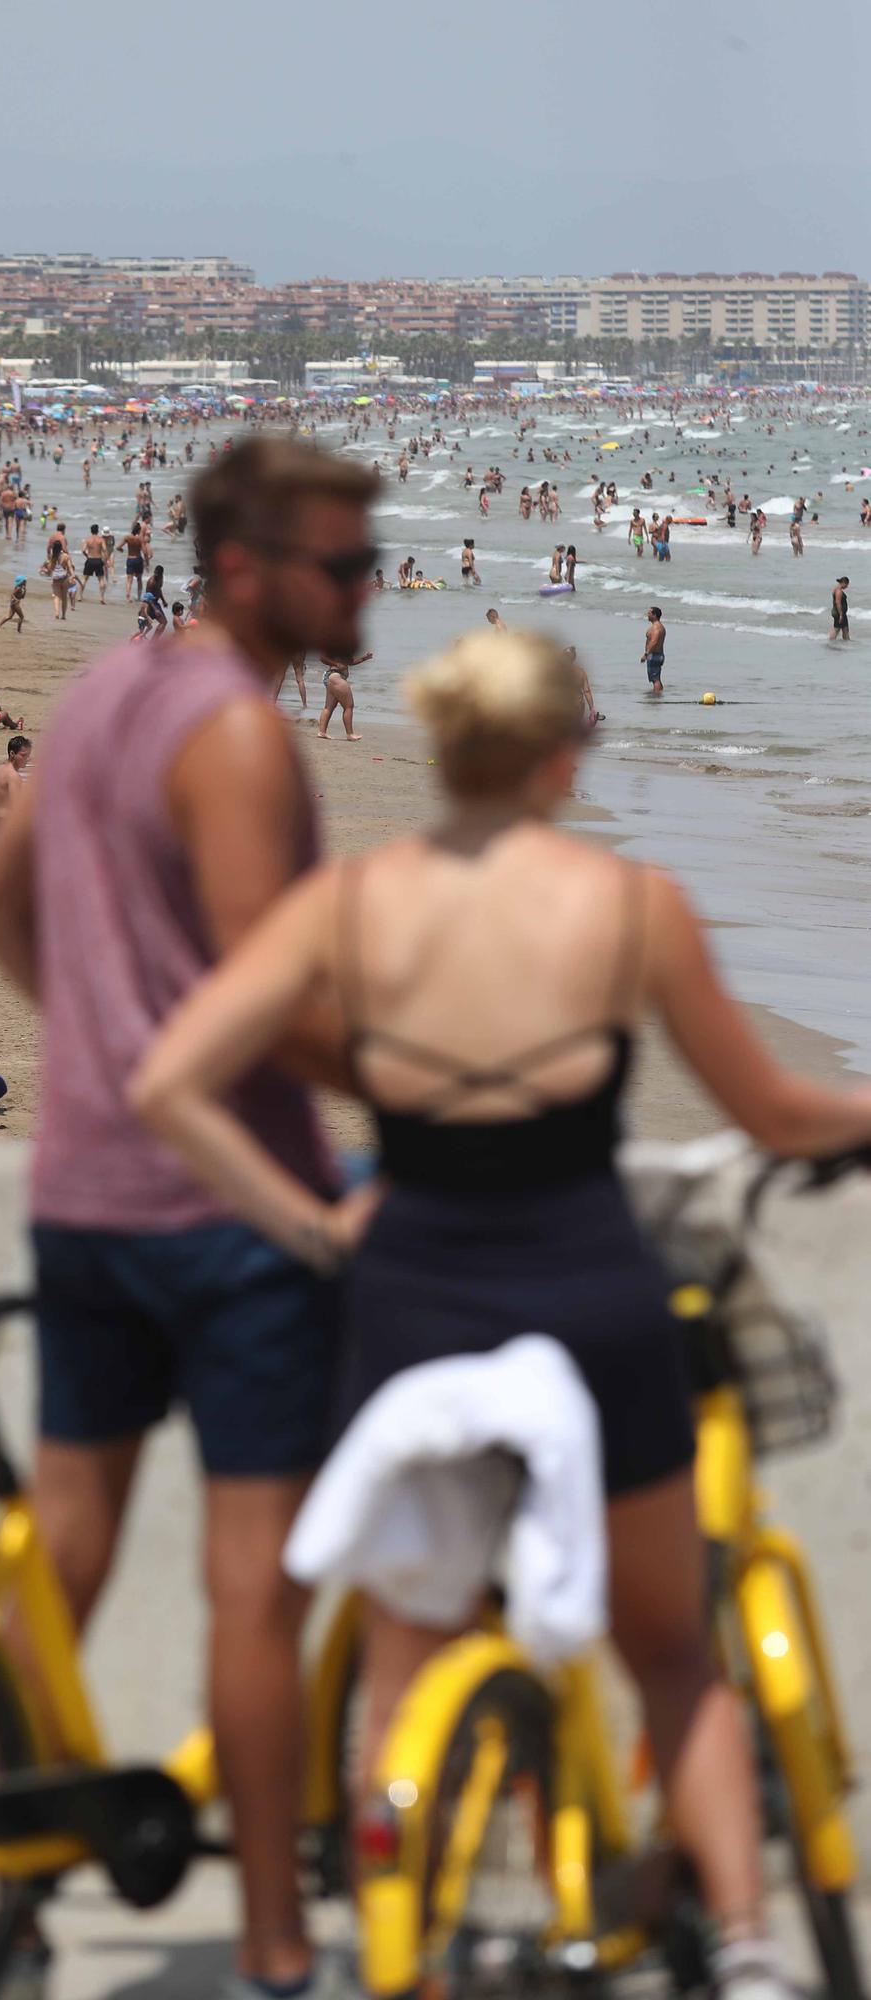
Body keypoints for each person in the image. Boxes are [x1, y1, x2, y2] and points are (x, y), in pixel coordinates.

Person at [129, 625, 871, 2000]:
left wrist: (311, 1224)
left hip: (413, 1299)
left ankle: (400, 1922)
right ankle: (757, 1952)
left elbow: (172, 1079)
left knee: (411, 1646)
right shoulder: (629, 903)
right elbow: (769, 1112)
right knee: (669, 1651)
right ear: (554, 754)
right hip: (588, 1292)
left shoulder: (352, 903)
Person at [0, 437, 380, 2000]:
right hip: (225, 1216)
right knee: (254, 1591)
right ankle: (276, 1948)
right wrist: (430, 1091)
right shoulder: (236, 734)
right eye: (339, 566)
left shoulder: (102, 690)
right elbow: (269, 1002)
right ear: (244, 569)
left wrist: (96, 1038)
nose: (365, 588)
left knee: (65, 1545)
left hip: (85, 1186)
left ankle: (11, 1877)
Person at [316, 650, 372, 741]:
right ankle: (350, 734)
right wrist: (336, 664)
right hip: (336, 676)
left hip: (332, 677)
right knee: (348, 706)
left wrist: (364, 658)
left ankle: (322, 732)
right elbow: (322, 658)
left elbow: (350, 662)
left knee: (329, 707)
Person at [0, 734, 32, 827]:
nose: (26, 759)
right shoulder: (13, 776)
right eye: (23, 755)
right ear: (12, 754)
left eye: (28, 756)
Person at [643, 605, 667, 694]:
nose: (647, 615)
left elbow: (654, 641)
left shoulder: (656, 627)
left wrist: (646, 654)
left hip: (654, 655)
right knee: (656, 678)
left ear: (654, 615)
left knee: (655, 679)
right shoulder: (659, 626)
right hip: (658, 655)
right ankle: (659, 694)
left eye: (649, 613)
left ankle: (656, 697)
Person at [831, 575, 850, 641]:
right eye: (847, 584)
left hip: (839, 612)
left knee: (845, 628)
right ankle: (831, 642)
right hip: (839, 613)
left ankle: (846, 641)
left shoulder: (836, 589)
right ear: (844, 583)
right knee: (837, 629)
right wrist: (841, 615)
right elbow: (838, 602)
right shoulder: (838, 591)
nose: (847, 586)